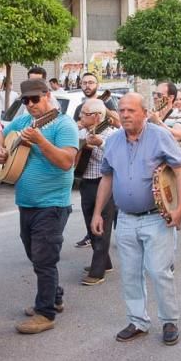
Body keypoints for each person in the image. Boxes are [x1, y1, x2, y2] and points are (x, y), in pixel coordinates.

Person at [91, 93, 181, 346]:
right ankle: (138, 321)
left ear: (144, 113)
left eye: (131, 111)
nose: (124, 115)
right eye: (122, 110)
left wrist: (180, 210)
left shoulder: (160, 136)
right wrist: (97, 213)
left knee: (159, 272)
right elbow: (107, 178)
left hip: (156, 218)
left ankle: (169, 320)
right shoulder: (112, 142)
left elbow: (180, 172)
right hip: (125, 219)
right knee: (130, 273)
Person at [0, 79, 78, 334]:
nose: (30, 105)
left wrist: (40, 141)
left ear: (47, 96)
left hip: (52, 204)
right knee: (35, 254)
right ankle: (54, 295)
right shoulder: (23, 122)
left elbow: (66, 162)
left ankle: (45, 313)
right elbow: (0, 134)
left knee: (44, 259)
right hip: (26, 203)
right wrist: (0, 149)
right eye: (25, 100)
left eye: (35, 99)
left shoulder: (64, 124)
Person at [77, 99, 117, 286]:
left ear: (97, 117)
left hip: (105, 184)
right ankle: (105, 261)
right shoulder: (82, 132)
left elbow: (116, 158)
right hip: (86, 182)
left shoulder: (112, 134)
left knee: (102, 226)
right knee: (89, 225)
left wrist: (100, 143)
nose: (80, 116)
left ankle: (97, 271)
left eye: (84, 114)